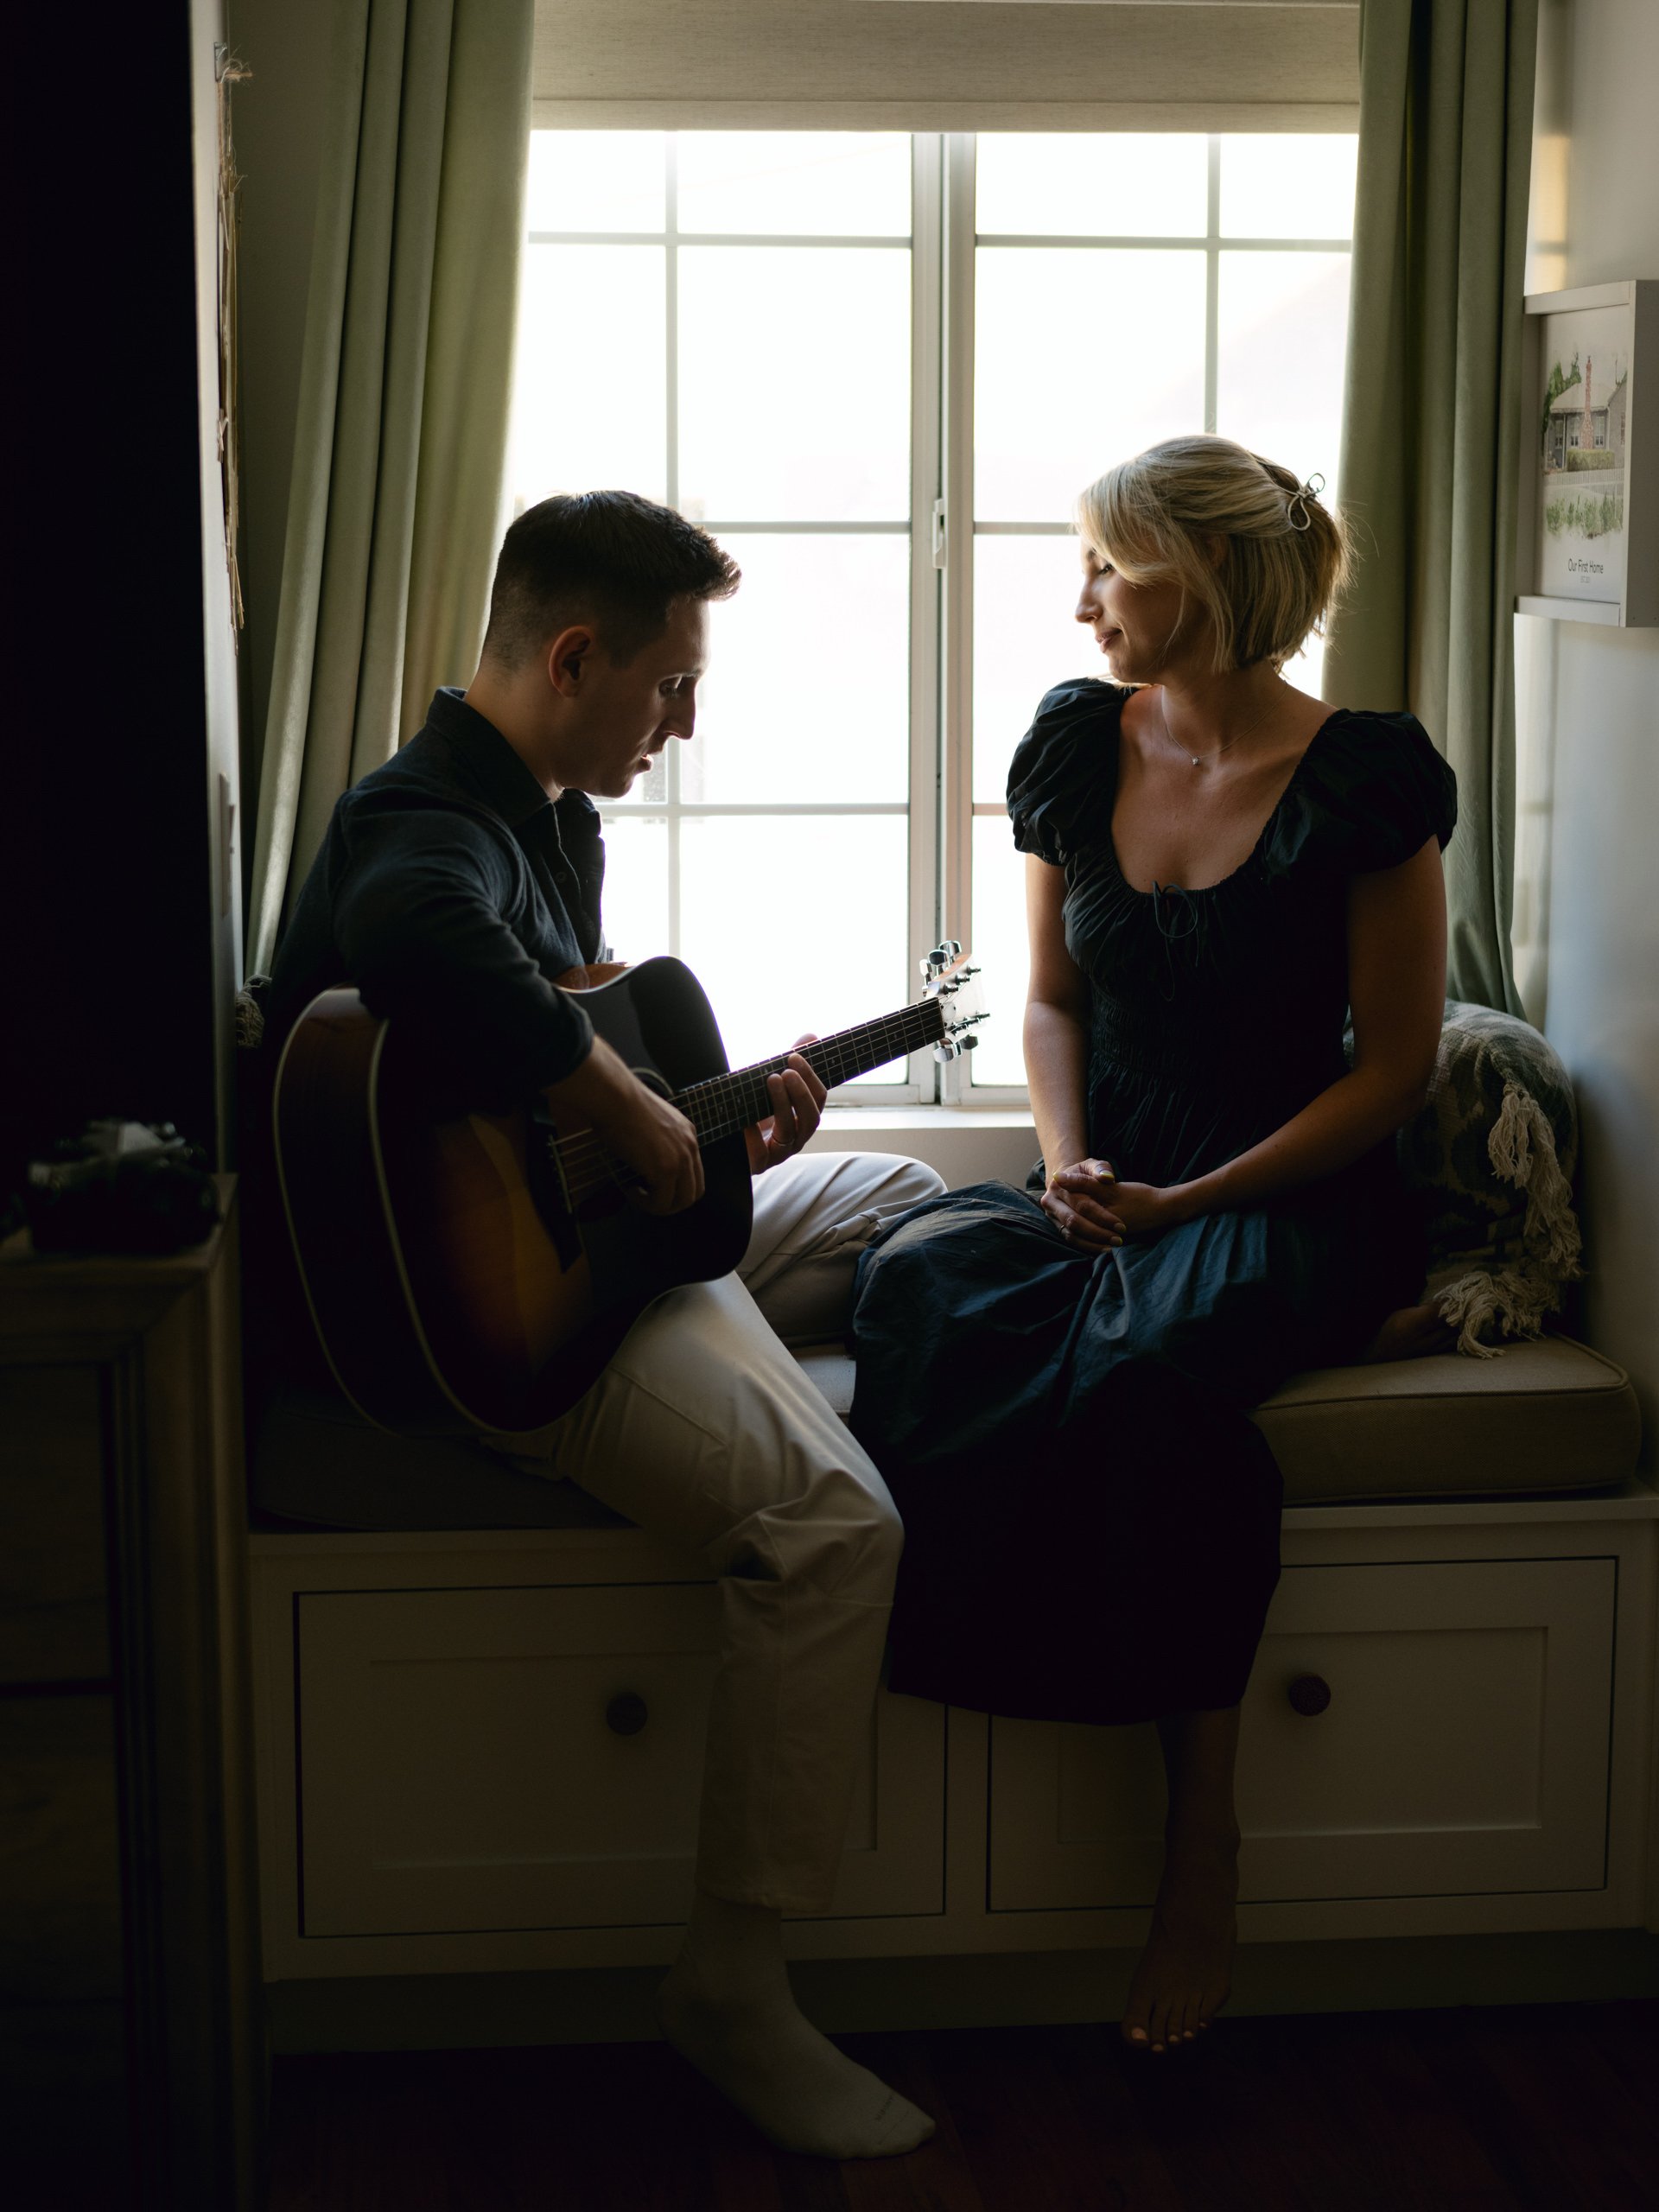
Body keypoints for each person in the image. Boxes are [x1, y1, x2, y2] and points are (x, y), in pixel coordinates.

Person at [260, 490, 943, 2159]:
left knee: (915, 1195)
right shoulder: (422, 814)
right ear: (576, 655)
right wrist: (629, 1119)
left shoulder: (555, 821)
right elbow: (414, 938)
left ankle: (841, 1364)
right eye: (670, 686)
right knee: (840, 1522)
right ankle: (733, 1979)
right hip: (508, 1315)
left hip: (618, 1247)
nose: (686, 723)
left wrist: (713, 1127)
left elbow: (574, 1056)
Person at [848, 435, 1456, 2060]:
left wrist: (1193, 1206)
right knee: (922, 1280)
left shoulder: (1368, 781)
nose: (1084, 600)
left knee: (1148, 1370)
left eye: (1112, 569)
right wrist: (1065, 1167)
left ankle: (1202, 1845)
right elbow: (1050, 997)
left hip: (1286, 1184)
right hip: (1112, 1171)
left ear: (1210, 576)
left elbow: (1397, 1065)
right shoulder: (1070, 743)